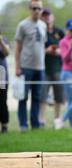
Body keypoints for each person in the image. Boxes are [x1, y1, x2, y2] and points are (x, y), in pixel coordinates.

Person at [14, 0, 47, 132]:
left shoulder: (43, 25)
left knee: (37, 97)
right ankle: (23, 125)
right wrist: (17, 66)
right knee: (23, 96)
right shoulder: (22, 25)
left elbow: (42, 46)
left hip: (40, 68)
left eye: (39, 8)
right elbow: (17, 48)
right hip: (25, 67)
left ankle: (35, 124)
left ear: (42, 10)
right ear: (30, 9)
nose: (37, 11)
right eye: (34, 8)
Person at [39, 8, 65, 128]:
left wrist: (59, 51)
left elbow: (66, 47)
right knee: (43, 95)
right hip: (44, 68)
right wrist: (46, 50)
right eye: (44, 16)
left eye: (48, 15)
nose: (47, 18)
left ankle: (57, 120)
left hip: (58, 68)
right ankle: (42, 120)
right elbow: (36, 49)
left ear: (52, 17)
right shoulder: (39, 31)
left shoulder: (59, 31)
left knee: (58, 95)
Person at [0, 31, 10, 133]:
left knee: (2, 101)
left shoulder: (4, 40)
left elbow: (7, 53)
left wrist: (1, 42)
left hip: (2, 76)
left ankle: (4, 125)